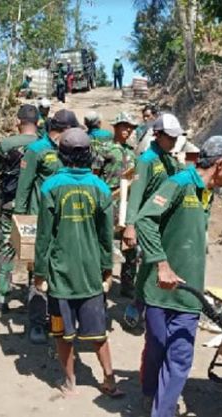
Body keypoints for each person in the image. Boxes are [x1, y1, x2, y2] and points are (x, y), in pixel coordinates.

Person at [135, 135, 222, 417]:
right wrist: (161, 264)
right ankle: (149, 394)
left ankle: (163, 411)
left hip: (189, 294)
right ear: (221, 163)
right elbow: (145, 219)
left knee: (180, 356)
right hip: (160, 288)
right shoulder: (179, 184)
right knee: (157, 348)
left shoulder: (207, 193)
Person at [33, 128, 123, 398]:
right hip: (91, 273)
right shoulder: (100, 187)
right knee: (97, 332)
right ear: (88, 156)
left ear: (61, 155)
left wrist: (40, 272)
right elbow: (107, 236)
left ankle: (70, 381)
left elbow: (44, 235)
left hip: (60, 275)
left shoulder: (50, 186)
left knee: (62, 334)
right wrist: (107, 269)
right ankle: (109, 379)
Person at [14, 109, 80, 343]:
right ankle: (37, 323)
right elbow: (24, 188)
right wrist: (21, 221)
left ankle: (59, 319)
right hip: (39, 219)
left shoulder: (68, 150)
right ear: (60, 131)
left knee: (63, 271)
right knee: (38, 272)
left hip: (65, 221)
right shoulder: (36, 151)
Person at [122, 113, 184, 300]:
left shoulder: (170, 161)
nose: (174, 141)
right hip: (147, 223)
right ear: (157, 135)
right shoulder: (146, 161)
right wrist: (130, 225)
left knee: (161, 263)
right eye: (170, 137)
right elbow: (136, 194)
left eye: (176, 137)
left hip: (164, 223)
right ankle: (138, 304)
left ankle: (154, 301)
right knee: (148, 266)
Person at [0, 105, 40, 312]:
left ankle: (1, 296)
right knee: (36, 248)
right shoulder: (45, 146)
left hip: (10, 204)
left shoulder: (7, 144)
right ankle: (35, 293)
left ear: (18, 122)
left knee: (5, 247)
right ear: (38, 123)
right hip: (36, 206)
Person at [97, 112, 139, 297]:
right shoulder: (105, 149)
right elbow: (95, 175)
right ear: (116, 127)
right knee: (105, 243)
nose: (128, 130)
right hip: (108, 203)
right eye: (125, 126)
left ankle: (128, 284)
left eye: (131, 127)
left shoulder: (131, 152)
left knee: (129, 244)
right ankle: (102, 280)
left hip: (127, 204)